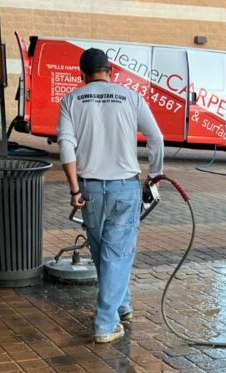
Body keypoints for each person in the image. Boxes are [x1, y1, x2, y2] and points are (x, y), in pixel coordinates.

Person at [57, 48, 164, 343]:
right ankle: (106, 324)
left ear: (83, 75)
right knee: (116, 254)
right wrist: (154, 176)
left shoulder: (71, 100)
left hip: (89, 189)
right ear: (111, 72)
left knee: (104, 251)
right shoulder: (130, 96)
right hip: (124, 188)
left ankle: (122, 305)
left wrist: (74, 189)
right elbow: (156, 138)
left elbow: (66, 146)